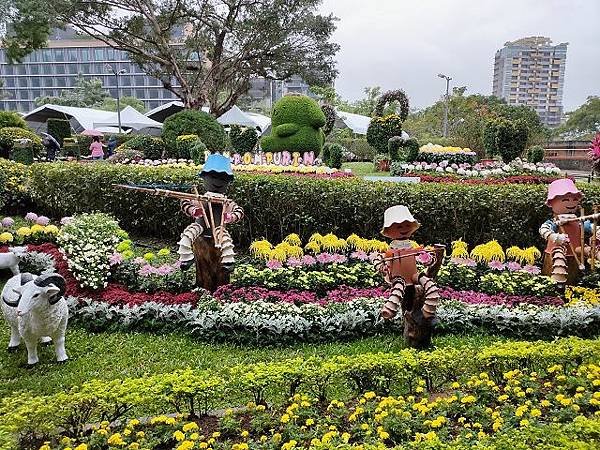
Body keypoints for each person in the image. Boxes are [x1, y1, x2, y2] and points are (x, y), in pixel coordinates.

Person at [540, 178, 600, 288]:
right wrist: (555, 236)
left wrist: (596, 230)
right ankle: (557, 285)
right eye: (565, 200)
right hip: (557, 249)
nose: (571, 203)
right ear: (552, 203)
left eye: (574, 199)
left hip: (577, 250)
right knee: (558, 258)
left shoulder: (577, 220)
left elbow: (589, 226)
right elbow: (544, 229)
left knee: (591, 251)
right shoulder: (555, 221)